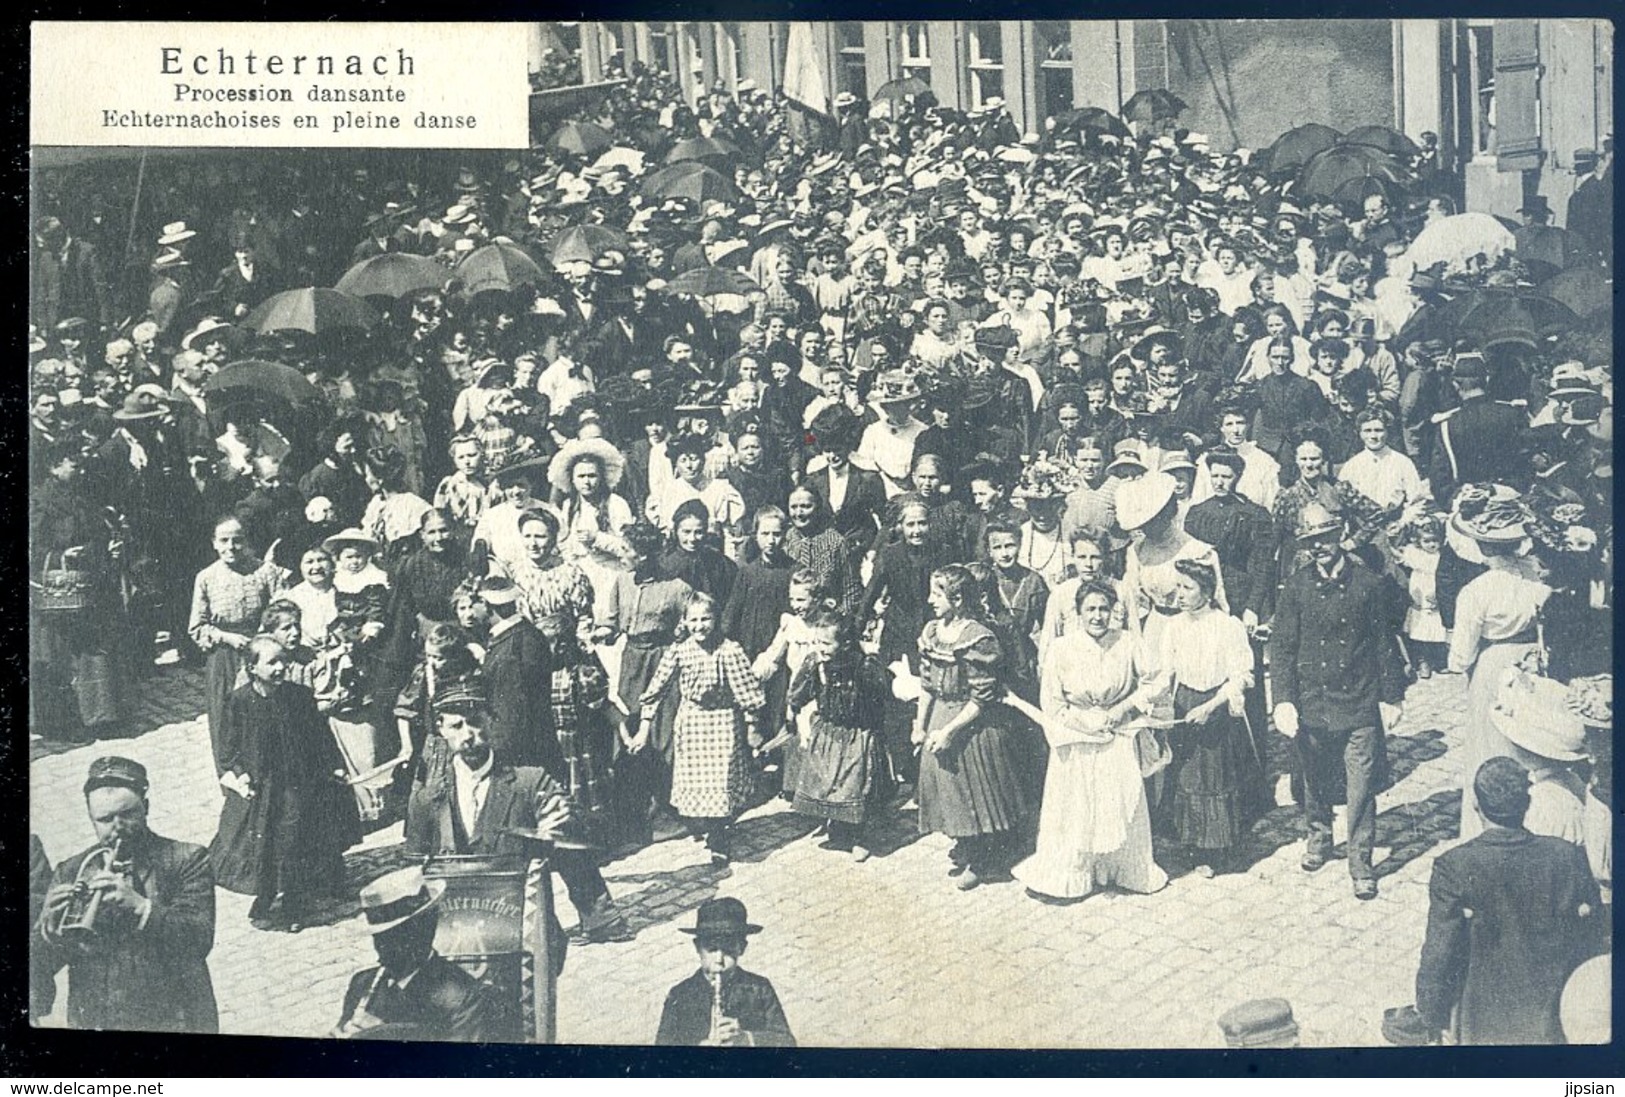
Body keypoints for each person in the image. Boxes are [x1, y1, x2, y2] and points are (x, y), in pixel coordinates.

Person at [404, 678, 630, 944]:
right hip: (459, 938)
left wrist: (561, 821)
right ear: (441, 728)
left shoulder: (529, 783)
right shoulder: (427, 799)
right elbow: (414, 876)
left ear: (490, 720)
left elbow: (574, 833)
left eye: (475, 721)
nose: (468, 735)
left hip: (524, 934)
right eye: (457, 725)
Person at [1269, 502, 1408, 900]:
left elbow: (1384, 643)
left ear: (1340, 535)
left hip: (1359, 699)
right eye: (1312, 542)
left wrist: (1392, 696)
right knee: (1313, 775)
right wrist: (1283, 700)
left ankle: (1361, 862)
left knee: (1360, 785)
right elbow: (1282, 648)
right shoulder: (1296, 587)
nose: (1319, 548)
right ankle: (1319, 835)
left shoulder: (1369, 584)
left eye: (1326, 539)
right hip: (1313, 699)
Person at [1412, 758, 1602, 1045]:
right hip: (1554, 1010)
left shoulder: (1455, 866)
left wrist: (1431, 1015)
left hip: (1485, 1017)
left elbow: (1440, 951)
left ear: (1476, 805)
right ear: (1526, 805)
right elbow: (1592, 932)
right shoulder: (1566, 856)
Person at [37, 757, 219, 1033]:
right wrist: (48, 931)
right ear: (92, 820)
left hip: (176, 1017)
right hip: (96, 1018)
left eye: (127, 814)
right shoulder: (71, 870)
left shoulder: (188, 859)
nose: (117, 826)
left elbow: (198, 939)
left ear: (146, 808)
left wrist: (140, 906)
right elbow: (42, 966)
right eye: (105, 820)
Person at [1014, 580, 1167, 902]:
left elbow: (1155, 681)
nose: (1098, 616)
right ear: (1078, 612)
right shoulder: (1061, 648)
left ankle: (1120, 870)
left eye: (1104, 609)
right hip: (1077, 738)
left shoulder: (1127, 642)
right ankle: (1074, 876)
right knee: (1076, 808)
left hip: (1117, 734)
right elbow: (1053, 702)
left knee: (1119, 802)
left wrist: (1122, 709)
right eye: (1090, 609)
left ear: (1114, 611)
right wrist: (1084, 722)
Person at [210, 635, 359, 931]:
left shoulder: (299, 696)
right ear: (252, 667)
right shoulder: (239, 701)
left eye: (283, 661)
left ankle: (293, 905)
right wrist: (240, 776)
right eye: (272, 662)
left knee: (293, 842)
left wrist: (335, 767)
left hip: (298, 783)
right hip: (263, 788)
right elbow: (228, 749)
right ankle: (265, 895)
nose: (281, 667)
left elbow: (321, 737)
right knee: (264, 844)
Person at [914, 564, 1033, 891]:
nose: (930, 600)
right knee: (948, 789)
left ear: (958, 599)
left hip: (972, 724)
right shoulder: (932, 632)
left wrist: (950, 731)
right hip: (941, 713)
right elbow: (926, 684)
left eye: (937, 594)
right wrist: (920, 725)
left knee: (975, 792)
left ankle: (986, 858)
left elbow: (984, 696)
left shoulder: (977, 638)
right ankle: (966, 841)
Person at [1446, 494, 1552, 841]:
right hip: (1533, 659)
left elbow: (1460, 656)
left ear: (1482, 546)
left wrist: (1463, 664)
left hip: (1493, 664)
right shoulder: (1537, 575)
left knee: (1489, 747)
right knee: (1532, 743)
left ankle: (1486, 829)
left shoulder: (1477, 590)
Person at [1150, 559, 1265, 876]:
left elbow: (1241, 676)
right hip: (1185, 704)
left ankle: (1216, 851)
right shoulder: (1174, 626)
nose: (1180, 595)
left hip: (1216, 707)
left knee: (1213, 778)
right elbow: (1165, 673)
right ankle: (1192, 844)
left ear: (1208, 591)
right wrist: (1146, 699)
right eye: (1178, 588)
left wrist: (1210, 707)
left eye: (1188, 588)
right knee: (1186, 776)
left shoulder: (1227, 626)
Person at [638, 591, 768, 863]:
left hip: (722, 723)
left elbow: (748, 693)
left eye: (705, 619)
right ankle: (708, 825)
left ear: (716, 619)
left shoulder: (729, 651)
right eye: (693, 620)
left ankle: (719, 837)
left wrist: (752, 726)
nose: (700, 626)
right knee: (697, 782)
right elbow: (656, 689)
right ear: (684, 622)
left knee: (721, 782)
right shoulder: (680, 651)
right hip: (692, 721)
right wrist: (643, 727)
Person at [332, 866, 501, 1042]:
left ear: (425, 930)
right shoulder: (361, 983)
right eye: (378, 936)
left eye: (395, 935)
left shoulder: (464, 999)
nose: (383, 946)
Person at [784, 609, 893, 861]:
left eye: (825, 643)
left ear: (845, 643)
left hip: (857, 734)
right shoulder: (816, 664)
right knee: (829, 782)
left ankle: (860, 836)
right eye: (816, 642)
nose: (819, 648)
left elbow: (882, 694)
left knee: (856, 785)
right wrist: (794, 709)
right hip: (829, 732)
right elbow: (799, 692)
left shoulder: (864, 666)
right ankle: (839, 829)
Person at [189, 516, 286, 771]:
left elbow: (282, 612)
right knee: (227, 719)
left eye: (237, 540)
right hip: (225, 658)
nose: (231, 547)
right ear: (214, 543)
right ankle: (234, 781)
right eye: (224, 541)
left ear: (247, 541)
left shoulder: (265, 572)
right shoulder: (206, 577)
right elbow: (197, 627)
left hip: (263, 654)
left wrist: (262, 638)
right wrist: (227, 637)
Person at [655, 897, 795, 1047]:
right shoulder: (680, 995)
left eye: (728, 950)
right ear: (697, 947)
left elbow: (787, 1042)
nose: (719, 960)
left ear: (742, 948)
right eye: (712, 949)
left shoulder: (759, 988)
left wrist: (746, 1039)